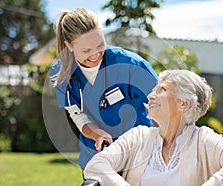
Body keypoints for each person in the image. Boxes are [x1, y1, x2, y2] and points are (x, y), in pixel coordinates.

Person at [84, 69, 223, 186]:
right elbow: (96, 165)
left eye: (162, 90)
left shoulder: (203, 139)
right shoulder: (137, 136)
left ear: (184, 104)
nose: (150, 96)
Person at [49, 8, 158, 171]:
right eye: (86, 50)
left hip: (137, 154)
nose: (95, 55)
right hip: (96, 155)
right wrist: (97, 134)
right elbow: (78, 117)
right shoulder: (62, 73)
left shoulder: (130, 64)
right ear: (69, 46)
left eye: (100, 45)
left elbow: (163, 103)